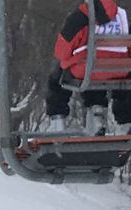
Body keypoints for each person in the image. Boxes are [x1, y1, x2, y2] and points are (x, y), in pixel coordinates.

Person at [46, 0, 131, 135]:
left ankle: (58, 120)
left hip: (88, 69)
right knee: (99, 73)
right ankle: (124, 121)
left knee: (60, 73)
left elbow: (61, 51)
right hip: (119, 70)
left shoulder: (81, 16)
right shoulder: (123, 15)